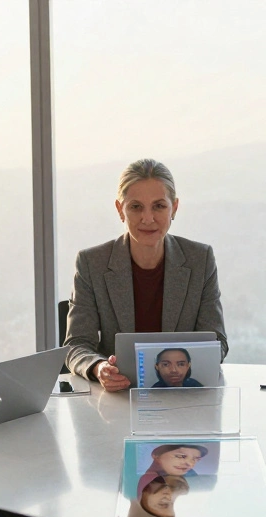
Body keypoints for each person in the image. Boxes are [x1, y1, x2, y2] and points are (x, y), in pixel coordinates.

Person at [64, 159, 228, 392]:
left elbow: (217, 343)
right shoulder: (92, 263)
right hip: (117, 397)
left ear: (175, 208)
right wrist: (99, 367)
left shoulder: (200, 260)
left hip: (184, 397)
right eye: (136, 207)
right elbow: (76, 345)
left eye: (159, 206)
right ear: (120, 210)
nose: (148, 218)